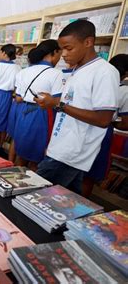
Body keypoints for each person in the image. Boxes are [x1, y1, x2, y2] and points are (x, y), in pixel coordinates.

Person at [35, 20, 119, 194]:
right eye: (61, 49)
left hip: (72, 155)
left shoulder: (105, 72)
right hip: (61, 149)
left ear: (88, 42)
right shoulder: (77, 70)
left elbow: (104, 119)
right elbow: (70, 108)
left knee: (37, 195)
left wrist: (58, 103)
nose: (63, 54)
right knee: (60, 202)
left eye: (69, 48)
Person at [12, 40, 63, 171]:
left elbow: (18, 98)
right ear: (54, 52)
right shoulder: (56, 73)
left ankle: (13, 183)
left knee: (21, 151)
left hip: (23, 111)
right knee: (37, 156)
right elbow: (57, 101)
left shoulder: (23, 72)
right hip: (43, 113)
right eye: (60, 53)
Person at [82, 53, 128, 196]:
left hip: (82, 128)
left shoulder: (94, 80)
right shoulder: (124, 90)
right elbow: (125, 124)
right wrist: (112, 121)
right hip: (102, 133)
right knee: (90, 175)